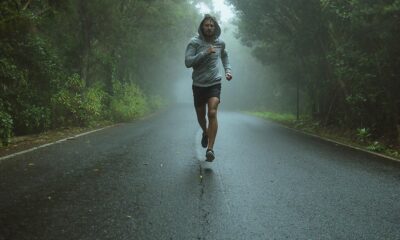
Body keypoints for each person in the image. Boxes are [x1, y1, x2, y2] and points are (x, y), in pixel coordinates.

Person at [185, 14, 233, 162]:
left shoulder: (220, 43)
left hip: (214, 82)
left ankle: (210, 149)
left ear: (215, 27)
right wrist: (205, 52)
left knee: (212, 112)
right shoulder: (194, 42)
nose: (209, 28)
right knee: (201, 116)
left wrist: (228, 70)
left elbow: (224, 56)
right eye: (207, 25)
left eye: (212, 25)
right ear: (202, 26)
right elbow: (188, 62)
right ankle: (205, 132)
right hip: (198, 84)